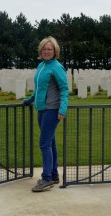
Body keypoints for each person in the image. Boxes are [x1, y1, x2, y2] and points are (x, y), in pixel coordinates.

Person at [23, 36, 69, 192]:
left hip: (52, 109)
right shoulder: (41, 65)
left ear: (55, 51)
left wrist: (62, 109)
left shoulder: (56, 67)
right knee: (51, 144)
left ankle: (47, 178)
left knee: (44, 143)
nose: (47, 51)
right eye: (44, 49)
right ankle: (54, 174)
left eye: (50, 49)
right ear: (41, 50)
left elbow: (64, 89)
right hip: (42, 109)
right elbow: (39, 89)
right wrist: (29, 100)